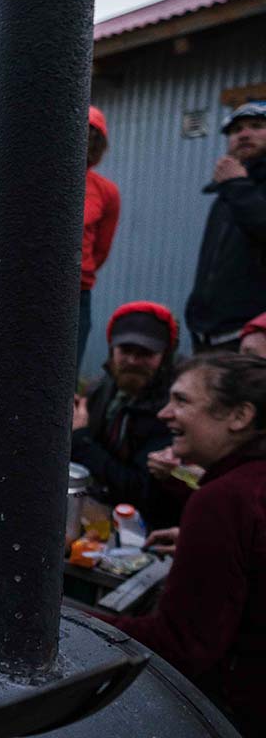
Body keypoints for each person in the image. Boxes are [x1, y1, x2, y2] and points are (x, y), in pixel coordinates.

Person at [108, 353, 266, 734]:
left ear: (239, 416)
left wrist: (76, 621)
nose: (164, 413)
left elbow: (182, 646)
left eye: (181, 400)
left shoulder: (223, 500)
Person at [71, 302, 189, 530]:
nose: (133, 361)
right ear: (112, 350)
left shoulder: (171, 411)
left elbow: (138, 489)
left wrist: (80, 439)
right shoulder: (101, 391)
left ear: (164, 357)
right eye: (126, 351)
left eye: (145, 354)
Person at [185, 100, 266, 352]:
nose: (244, 134)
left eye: (256, 126)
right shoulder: (229, 190)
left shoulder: (236, 187)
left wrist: (238, 187)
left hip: (252, 339)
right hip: (209, 336)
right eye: (235, 129)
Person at [77, 106, 121, 366]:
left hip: (77, 292)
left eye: (91, 135)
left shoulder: (106, 191)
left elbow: (101, 249)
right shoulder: (36, 177)